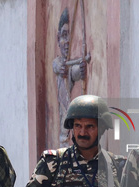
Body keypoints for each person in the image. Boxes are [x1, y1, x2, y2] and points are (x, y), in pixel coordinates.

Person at [52, 7, 88, 147]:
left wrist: (82, 68)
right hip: (64, 135)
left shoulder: (68, 70)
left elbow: (74, 72)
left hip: (73, 133)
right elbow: (58, 66)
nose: (67, 41)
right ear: (58, 38)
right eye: (64, 35)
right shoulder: (58, 63)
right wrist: (62, 68)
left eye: (69, 36)